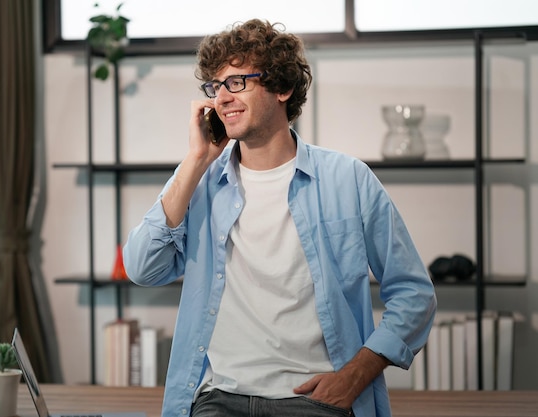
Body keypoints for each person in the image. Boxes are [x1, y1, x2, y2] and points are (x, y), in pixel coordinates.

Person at [123, 19, 436, 417]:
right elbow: (142, 267)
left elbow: (414, 293)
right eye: (215, 87)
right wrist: (197, 158)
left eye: (236, 82)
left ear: (282, 88)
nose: (222, 98)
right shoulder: (199, 183)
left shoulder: (348, 179)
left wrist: (356, 375)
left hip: (315, 400)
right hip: (218, 399)